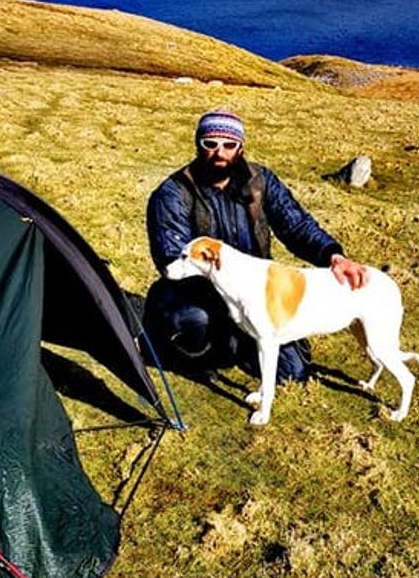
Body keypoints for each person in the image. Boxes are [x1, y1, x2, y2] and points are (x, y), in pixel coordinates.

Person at [144, 108, 368, 384]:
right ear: (198, 144)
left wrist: (333, 255)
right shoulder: (173, 193)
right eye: (210, 143)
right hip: (196, 293)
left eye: (229, 144)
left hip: (257, 294)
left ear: (240, 147)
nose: (219, 152)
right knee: (193, 321)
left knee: (292, 373)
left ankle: (241, 343)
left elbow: (296, 225)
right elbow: (170, 256)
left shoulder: (261, 181)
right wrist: (229, 296)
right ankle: (182, 350)